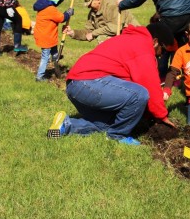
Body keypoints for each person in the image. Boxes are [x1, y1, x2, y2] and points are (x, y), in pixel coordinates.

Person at [47, 22, 176, 146]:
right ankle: (117, 136)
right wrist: (162, 116)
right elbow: (150, 87)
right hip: (87, 83)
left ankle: (63, 126)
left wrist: (148, 115)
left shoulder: (131, 39)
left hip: (76, 86)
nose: (161, 55)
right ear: (155, 42)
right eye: (163, 51)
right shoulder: (143, 47)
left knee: (107, 123)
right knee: (139, 94)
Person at [63, 0, 139, 44]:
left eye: (90, 3)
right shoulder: (93, 12)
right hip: (118, 36)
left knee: (102, 38)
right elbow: (88, 32)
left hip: (132, 36)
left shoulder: (112, 5)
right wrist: (73, 33)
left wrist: (93, 33)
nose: (88, 6)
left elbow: (114, 29)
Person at [32, 0, 75, 81]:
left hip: (46, 35)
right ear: (54, 0)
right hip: (46, 36)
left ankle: (55, 56)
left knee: (53, 49)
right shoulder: (50, 9)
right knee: (45, 57)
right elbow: (62, 18)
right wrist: (68, 13)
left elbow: (54, 3)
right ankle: (39, 76)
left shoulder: (44, 4)